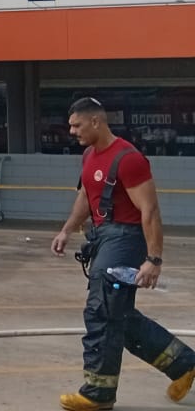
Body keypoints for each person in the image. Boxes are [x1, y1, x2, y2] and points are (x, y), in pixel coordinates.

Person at [51, 97, 195, 410]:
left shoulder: (128, 158)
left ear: (95, 122)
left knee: (101, 311)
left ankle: (98, 393)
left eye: (76, 125)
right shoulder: (89, 155)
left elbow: (151, 211)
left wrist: (153, 259)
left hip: (126, 239)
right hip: (103, 237)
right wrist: (66, 230)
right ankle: (184, 363)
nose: (71, 131)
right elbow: (86, 198)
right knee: (119, 316)